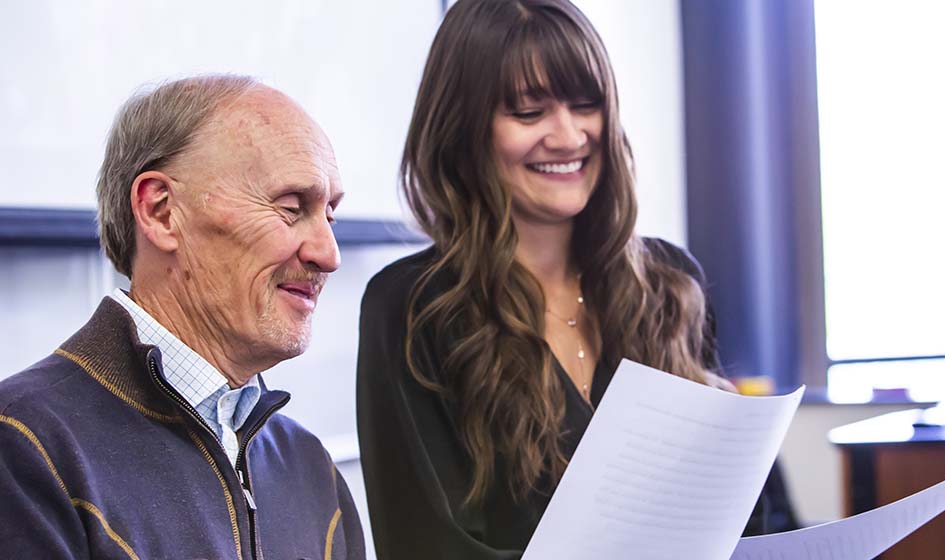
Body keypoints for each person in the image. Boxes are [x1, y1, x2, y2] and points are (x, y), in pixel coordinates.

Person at [356, 0, 769, 557]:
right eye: (529, 113)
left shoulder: (671, 286)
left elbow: (731, 524)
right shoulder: (411, 309)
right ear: (464, 129)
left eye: (585, 105)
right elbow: (424, 545)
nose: (568, 135)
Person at [0, 75, 365, 558]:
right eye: (292, 208)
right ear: (161, 212)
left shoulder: (312, 469)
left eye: (330, 216)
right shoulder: (25, 449)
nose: (329, 253)